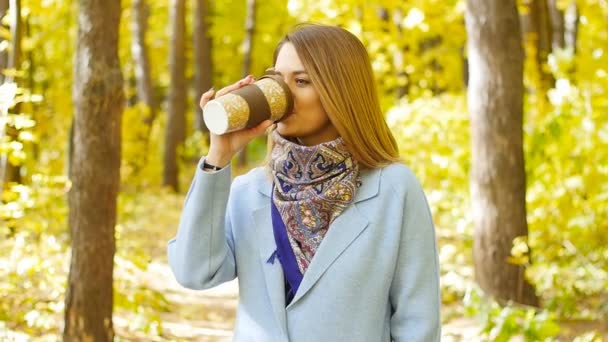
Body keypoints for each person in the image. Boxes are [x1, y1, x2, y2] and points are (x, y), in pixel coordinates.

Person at [168, 24, 440, 342]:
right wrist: (219, 155)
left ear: (341, 92)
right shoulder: (250, 192)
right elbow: (194, 272)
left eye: (301, 81)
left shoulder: (393, 189)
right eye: (276, 80)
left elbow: (417, 323)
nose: (283, 96)